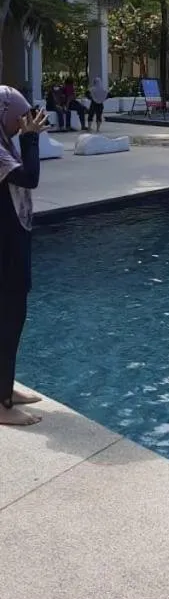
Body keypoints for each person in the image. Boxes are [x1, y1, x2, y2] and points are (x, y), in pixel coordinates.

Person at [0, 87, 47, 427]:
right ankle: (1, 405)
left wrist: (26, 138)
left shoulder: (4, 142)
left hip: (12, 242)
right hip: (4, 250)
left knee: (14, 319)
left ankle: (5, 388)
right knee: (8, 319)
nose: (23, 125)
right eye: (19, 118)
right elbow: (29, 178)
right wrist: (31, 141)